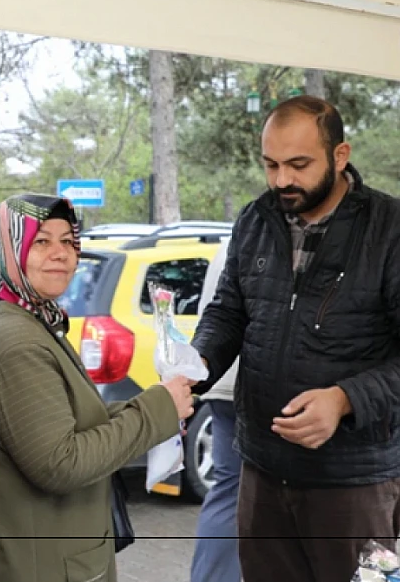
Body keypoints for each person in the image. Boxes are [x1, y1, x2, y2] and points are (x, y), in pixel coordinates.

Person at [191, 95, 400, 582]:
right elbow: (228, 312)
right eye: (270, 164)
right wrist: (195, 366)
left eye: (298, 164)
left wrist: (344, 400)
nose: (281, 181)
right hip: (262, 469)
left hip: (352, 481)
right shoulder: (255, 220)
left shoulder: (399, 229)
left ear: (340, 155)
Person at [0, 193, 196, 582]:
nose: (61, 254)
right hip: (29, 564)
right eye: (41, 241)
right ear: (9, 250)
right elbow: (61, 463)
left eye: (68, 241)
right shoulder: (13, 340)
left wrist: (157, 405)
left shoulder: (24, 318)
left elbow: (63, 424)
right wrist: (156, 412)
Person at [189, 242, 241, 582]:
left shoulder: (230, 244)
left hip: (221, 383)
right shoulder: (260, 241)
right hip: (252, 387)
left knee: (228, 487)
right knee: (236, 489)